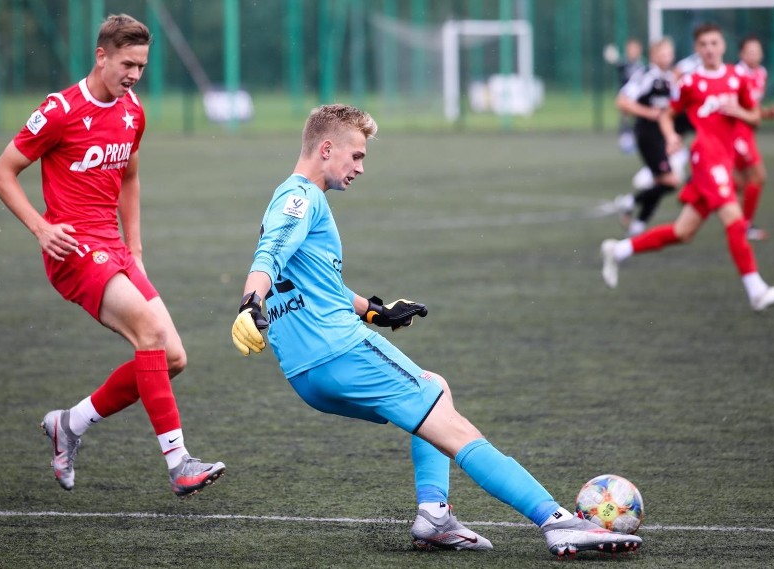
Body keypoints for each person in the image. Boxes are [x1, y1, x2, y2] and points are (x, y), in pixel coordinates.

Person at [231, 104, 642, 557]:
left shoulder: (287, 197)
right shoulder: (302, 197)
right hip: (341, 352)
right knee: (455, 428)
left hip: (306, 373)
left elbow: (316, 281)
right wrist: (251, 302)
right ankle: (557, 521)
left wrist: (376, 312)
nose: (361, 168)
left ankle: (434, 516)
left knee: (434, 387)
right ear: (326, 149)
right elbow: (268, 255)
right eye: (357, 156)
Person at [0, 14, 225, 496]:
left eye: (141, 66)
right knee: (152, 333)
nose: (134, 75)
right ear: (102, 56)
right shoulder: (59, 111)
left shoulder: (132, 110)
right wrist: (40, 227)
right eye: (127, 64)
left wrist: (135, 248)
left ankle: (70, 423)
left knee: (172, 357)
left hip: (114, 248)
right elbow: (1, 172)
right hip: (74, 249)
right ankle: (179, 463)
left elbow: (130, 178)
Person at [600, 23, 774, 312]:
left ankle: (619, 250)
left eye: (714, 43)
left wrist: (739, 111)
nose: (709, 49)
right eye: (703, 44)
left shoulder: (737, 77)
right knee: (734, 219)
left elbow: (753, 118)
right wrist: (671, 137)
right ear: (697, 49)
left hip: (724, 160)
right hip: (706, 158)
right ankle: (756, 290)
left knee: (683, 232)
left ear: (723, 46)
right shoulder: (690, 83)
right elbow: (668, 114)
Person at [613, 37, 682, 236]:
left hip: (662, 135)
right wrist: (648, 112)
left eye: (669, 54)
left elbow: (672, 107)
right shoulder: (645, 75)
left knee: (662, 182)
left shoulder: (669, 78)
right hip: (647, 134)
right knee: (671, 181)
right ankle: (630, 202)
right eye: (661, 54)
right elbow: (622, 102)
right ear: (652, 56)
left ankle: (638, 226)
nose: (666, 57)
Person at [733, 36, 774, 241]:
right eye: (749, 51)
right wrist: (754, 116)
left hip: (748, 132)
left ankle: (741, 223)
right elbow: (732, 107)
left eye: (757, 50)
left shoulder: (761, 73)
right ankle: (745, 225)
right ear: (741, 54)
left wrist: (767, 113)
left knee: (744, 181)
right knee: (758, 176)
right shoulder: (735, 75)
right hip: (736, 132)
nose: (753, 54)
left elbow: (751, 107)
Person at [615, 39, 645, 154]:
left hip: (638, 96)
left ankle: (638, 139)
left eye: (635, 49)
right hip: (626, 96)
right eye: (631, 49)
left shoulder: (642, 65)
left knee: (638, 119)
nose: (633, 51)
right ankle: (626, 141)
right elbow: (618, 65)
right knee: (625, 118)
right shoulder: (625, 64)